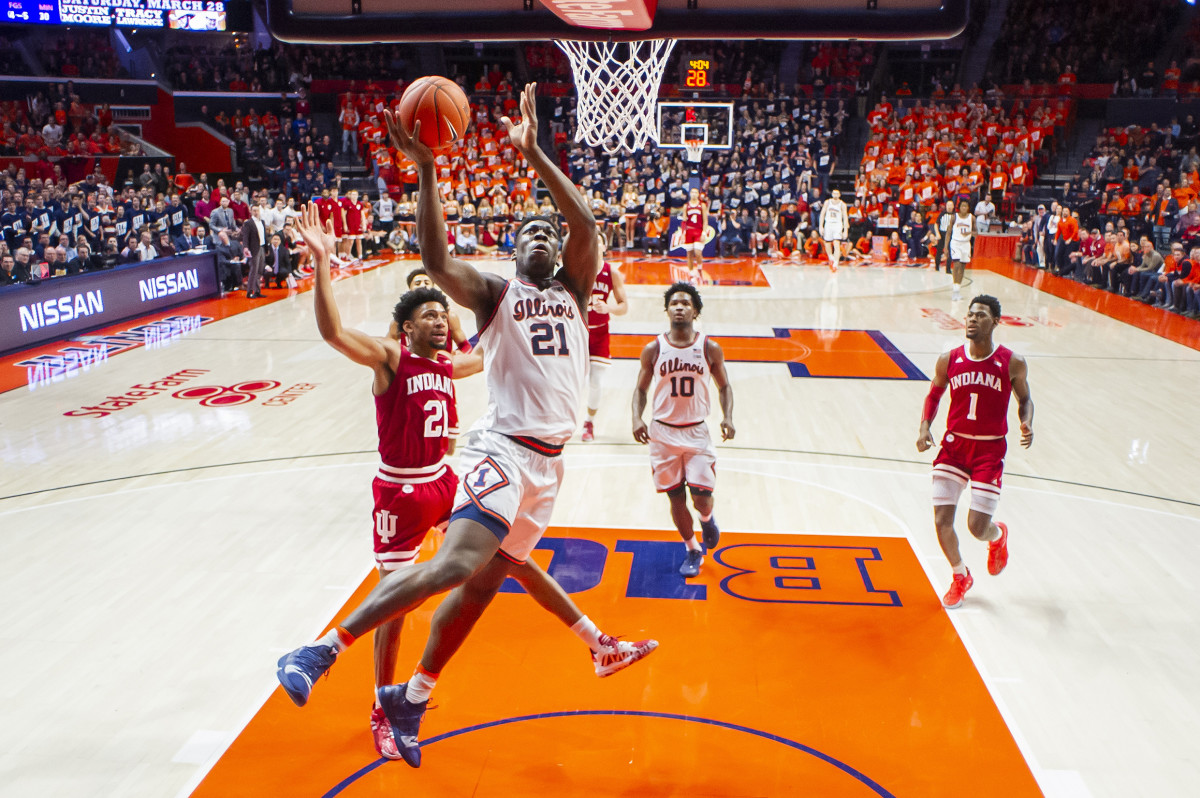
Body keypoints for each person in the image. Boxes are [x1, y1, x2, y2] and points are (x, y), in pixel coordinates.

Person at [275, 83, 657, 768]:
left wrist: (536, 155)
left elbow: (588, 230)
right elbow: (434, 257)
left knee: (482, 589)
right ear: (513, 253)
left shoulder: (572, 287)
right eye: (529, 231)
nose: (543, 234)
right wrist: (424, 168)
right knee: (455, 564)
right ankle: (322, 648)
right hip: (503, 451)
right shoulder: (494, 294)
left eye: (550, 231)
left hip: (549, 466)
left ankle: (412, 698)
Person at [916, 294, 1034, 609]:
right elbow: (934, 393)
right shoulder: (949, 358)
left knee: (977, 527)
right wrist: (925, 426)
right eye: (969, 314)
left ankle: (997, 537)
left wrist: (1026, 423)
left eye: (980, 315)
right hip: (954, 446)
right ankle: (960, 575)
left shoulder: (1012, 361)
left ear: (995, 321)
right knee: (942, 519)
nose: (971, 319)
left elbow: (1025, 399)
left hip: (989, 450)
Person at [631, 282, 734, 577]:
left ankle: (707, 517)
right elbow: (640, 389)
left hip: (696, 431)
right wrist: (636, 418)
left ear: (696, 311)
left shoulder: (709, 347)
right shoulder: (653, 348)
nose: (679, 307)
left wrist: (727, 416)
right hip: (662, 433)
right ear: (666, 310)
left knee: (700, 497)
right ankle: (691, 549)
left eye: (686, 303)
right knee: (675, 498)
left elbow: (724, 386)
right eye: (674, 303)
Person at [581, 235, 628, 442]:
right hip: (578, 333)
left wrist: (609, 308)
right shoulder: (577, 268)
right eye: (592, 240)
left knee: (595, 381)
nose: (595, 244)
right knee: (569, 381)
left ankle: (589, 423)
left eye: (598, 241)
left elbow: (624, 305)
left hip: (600, 332)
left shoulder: (612, 273)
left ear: (604, 245)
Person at [948, 200, 974, 301]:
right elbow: (949, 231)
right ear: (959, 207)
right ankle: (954, 290)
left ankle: (957, 290)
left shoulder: (972, 218)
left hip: (966, 244)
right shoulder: (954, 217)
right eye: (962, 206)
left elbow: (976, 232)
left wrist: (970, 232)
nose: (964, 208)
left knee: (962, 268)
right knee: (957, 264)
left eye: (966, 206)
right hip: (955, 242)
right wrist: (946, 246)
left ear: (968, 207)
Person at [241, 203, 268, 298]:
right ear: (251, 211)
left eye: (257, 210)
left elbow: (264, 236)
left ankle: (257, 291)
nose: (256, 212)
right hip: (254, 249)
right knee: (254, 270)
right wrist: (245, 247)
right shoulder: (248, 223)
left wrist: (266, 248)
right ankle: (250, 292)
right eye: (254, 210)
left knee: (260, 270)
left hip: (262, 247)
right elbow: (245, 237)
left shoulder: (262, 222)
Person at [681, 187, 708, 280]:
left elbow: (705, 221)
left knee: (698, 252)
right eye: (692, 192)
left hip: (698, 230)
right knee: (689, 254)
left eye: (695, 192)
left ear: (698, 194)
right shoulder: (686, 206)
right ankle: (691, 273)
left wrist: (704, 233)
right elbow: (684, 220)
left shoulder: (702, 205)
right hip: (689, 231)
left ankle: (700, 268)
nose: (694, 194)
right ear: (690, 194)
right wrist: (682, 233)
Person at [819, 188, 849, 272]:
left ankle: (836, 263)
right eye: (834, 193)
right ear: (832, 194)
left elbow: (845, 217)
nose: (835, 195)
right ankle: (830, 257)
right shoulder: (827, 202)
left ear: (839, 195)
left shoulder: (842, 204)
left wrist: (845, 230)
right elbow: (822, 214)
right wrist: (821, 226)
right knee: (827, 243)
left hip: (837, 224)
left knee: (836, 243)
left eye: (837, 193)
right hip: (828, 224)